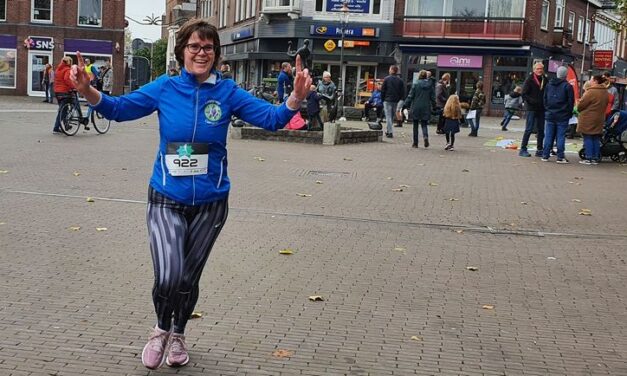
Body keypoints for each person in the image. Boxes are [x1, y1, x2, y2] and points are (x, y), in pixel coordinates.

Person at [69, 18, 311, 370]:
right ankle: (159, 330)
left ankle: (178, 333)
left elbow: (272, 118)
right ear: (182, 50)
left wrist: (295, 98)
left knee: (187, 277)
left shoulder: (227, 93)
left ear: (216, 54)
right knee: (169, 274)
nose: (201, 52)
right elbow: (120, 109)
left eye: (208, 47)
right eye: (195, 46)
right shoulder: (165, 88)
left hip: (211, 204)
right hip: (166, 198)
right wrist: (87, 91)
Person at [541, 66, 574, 164]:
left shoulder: (548, 85)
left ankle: (545, 155)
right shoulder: (568, 86)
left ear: (557, 74)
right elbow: (570, 102)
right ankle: (560, 157)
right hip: (562, 115)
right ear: (566, 75)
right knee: (560, 136)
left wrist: (547, 109)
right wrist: (568, 112)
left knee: (548, 135)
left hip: (550, 114)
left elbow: (545, 99)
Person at [577, 75, 609, 165]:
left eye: (591, 80)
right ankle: (595, 157)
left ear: (595, 81)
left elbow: (581, 105)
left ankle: (589, 157)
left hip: (588, 118)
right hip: (599, 118)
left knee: (588, 137)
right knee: (595, 137)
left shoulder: (591, 92)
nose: (589, 81)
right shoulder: (605, 92)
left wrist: (578, 105)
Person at [519, 62, 546, 157]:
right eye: (538, 69)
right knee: (529, 129)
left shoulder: (545, 79)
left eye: (541, 69)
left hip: (541, 108)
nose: (539, 70)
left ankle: (539, 150)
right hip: (531, 108)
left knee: (541, 130)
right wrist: (532, 101)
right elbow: (524, 94)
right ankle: (523, 149)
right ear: (534, 70)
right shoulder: (529, 80)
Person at [403, 70, 435, 148]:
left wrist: (405, 105)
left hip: (416, 107)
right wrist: (434, 106)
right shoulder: (430, 85)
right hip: (426, 107)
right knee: (424, 124)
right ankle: (425, 136)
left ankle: (415, 143)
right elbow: (433, 98)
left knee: (415, 125)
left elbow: (410, 96)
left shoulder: (415, 84)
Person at [380, 65, 405, 138]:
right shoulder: (400, 80)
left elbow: (383, 90)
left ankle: (390, 132)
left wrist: (382, 99)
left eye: (389, 69)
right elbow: (402, 92)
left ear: (391, 70)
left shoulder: (386, 79)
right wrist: (400, 99)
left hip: (387, 100)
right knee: (391, 116)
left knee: (388, 116)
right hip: (395, 100)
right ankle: (388, 131)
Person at [52, 56, 75, 134]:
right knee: (66, 108)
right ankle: (56, 127)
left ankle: (65, 126)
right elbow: (66, 79)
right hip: (64, 92)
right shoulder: (67, 69)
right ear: (69, 62)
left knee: (63, 110)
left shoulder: (58, 69)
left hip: (57, 92)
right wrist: (73, 87)